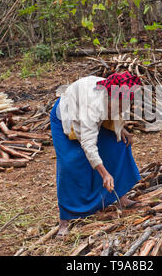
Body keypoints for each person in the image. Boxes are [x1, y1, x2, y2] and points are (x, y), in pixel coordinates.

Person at [50, 72, 142, 237]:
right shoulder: (92, 105)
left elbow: (115, 113)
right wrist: (104, 173)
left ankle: (122, 197)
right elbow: (88, 143)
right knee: (70, 164)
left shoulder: (115, 93)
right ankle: (65, 219)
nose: (123, 108)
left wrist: (121, 128)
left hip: (94, 115)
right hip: (67, 117)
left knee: (118, 144)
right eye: (120, 105)